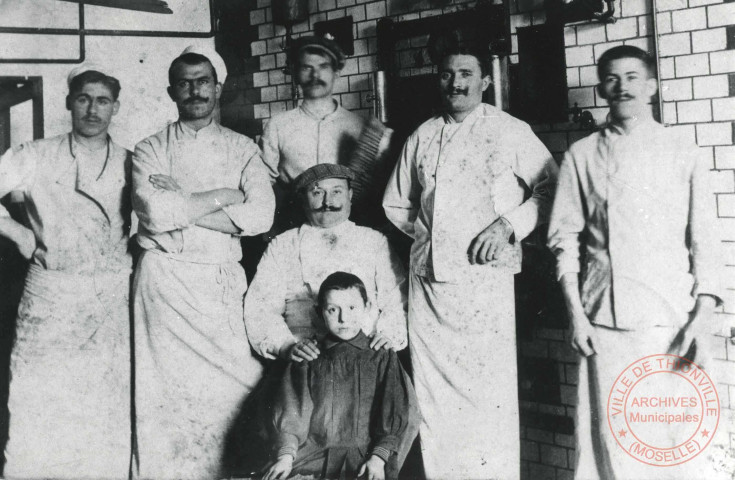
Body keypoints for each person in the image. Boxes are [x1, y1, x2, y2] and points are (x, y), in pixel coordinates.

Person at [547, 45, 725, 480]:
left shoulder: (684, 150)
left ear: (651, 86)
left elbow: (706, 240)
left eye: (631, 77)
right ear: (600, 88)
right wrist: (576, 316)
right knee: (614, 441)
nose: (622, 86)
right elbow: (563, 242)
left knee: (676, 442)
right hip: (604, 324)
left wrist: (702, 317)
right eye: (611, 78)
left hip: (672, 323)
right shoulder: (581, 156)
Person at [382, 43, 558, 479]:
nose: (455, 82)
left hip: (485, 284)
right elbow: (395, 203)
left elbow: (551, 187)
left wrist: (508, 227)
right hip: (428, 286)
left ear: (484, 82)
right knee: (434, 401)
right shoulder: (422, 135)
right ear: (437, 80)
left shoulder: (510, 129)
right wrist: (430, 237)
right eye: (445, 73)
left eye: (465, 73)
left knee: (487, 397)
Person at [131, 45, 275, 479]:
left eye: (203, 81)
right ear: (171, 91)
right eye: (185, 82)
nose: (195, 90)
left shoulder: (244, 149)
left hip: (219, 284)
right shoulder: (149, 148)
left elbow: (260, 217)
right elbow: (155, 214)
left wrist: (183, 200)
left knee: (234, 389)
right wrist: (224, 197)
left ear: (218, 87)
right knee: (165, 397)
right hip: (165, 285)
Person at [0, 64, 132, 478]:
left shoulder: (133, 160)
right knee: (35, 402)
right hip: (51, 294)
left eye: (103, 101)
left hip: (109, 297)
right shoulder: (35, 154)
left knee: (104, 406)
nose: (93, 109)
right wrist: (20, 234)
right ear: (68, 103)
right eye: (83, 99)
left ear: (115, 108)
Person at [263, 272, 419, 480]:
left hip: (367, 458)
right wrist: (286, 456)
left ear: (367, 307)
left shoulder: (381, 355)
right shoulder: (309, 356)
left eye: (352, 308)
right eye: (332, 310)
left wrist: (378, 458)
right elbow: (292, 412)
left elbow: (395, 413)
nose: (343, 318)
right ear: (319, 313)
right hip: (313, 457)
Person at [244, 163, 407, 361]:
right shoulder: (283, 245)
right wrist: (286, 346)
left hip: (367, 353)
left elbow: (398, 299)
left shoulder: (374, 241)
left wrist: (388, 336)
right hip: (305, 355)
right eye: (317, 193)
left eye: (336, 191)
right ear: (303, 200)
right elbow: (260, 307)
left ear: (350, 195)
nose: (327, 202)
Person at [259, 35, 365, 233]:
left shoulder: (358, 125)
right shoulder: (278, 125)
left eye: (323, 66)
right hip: (293, 227)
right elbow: (262, 184)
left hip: (348, 229)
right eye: (307, 67)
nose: (315, 75)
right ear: (295, 73)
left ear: (337, 72)